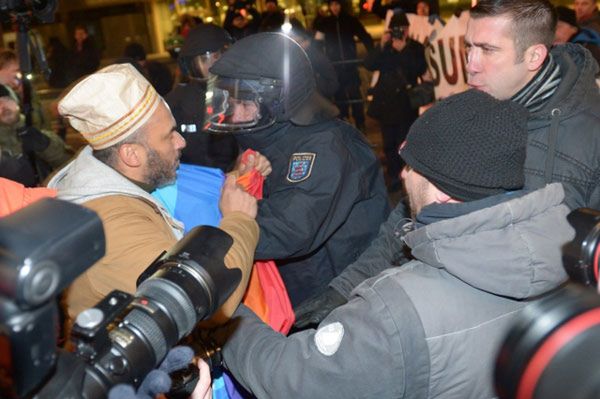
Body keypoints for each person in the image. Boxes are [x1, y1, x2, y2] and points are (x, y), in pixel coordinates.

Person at [212, 89, 574, 398]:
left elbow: (290, 379)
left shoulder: (395, 312)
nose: (401, 173)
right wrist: (341, 291)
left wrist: (227, 316)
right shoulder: (570, 252)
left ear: (443, 191)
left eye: (412, 166)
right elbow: (391, 240)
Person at [294, 0, 600, 329]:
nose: (471, 65)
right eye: (469, 47)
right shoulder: (477, 105)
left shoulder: (588, 131)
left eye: (487, 50)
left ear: (534, 56)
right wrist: (344, 289)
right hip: (461, 313)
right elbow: (411, 214)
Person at [46, 63, 261, 323]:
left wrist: (239, 175)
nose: (181, 141)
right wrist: (239, 219)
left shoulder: (116, 182)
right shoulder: (112, 228)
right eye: (168, 135)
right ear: (132, 155)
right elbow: (211, 304)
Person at [204, 32, 390, 306]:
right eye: (231, 104)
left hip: (340, 303)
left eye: (243, 103)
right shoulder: (271, 140)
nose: (234, 114)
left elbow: (288, 229)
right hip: (306, 296)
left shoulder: (325, 147)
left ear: (277, 101)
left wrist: (224, 223)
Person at [364, 11, 429, 192]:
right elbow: (369, 64)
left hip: (406, 104)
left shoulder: (415, 48)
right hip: (386, 104)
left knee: (405, 142)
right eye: (396, 29)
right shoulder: (385, 47)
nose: (400, 32)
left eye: (402, 28)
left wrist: (403, 52)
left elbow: (420, 69)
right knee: (389, 143)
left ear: (408, 29)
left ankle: (406, 176)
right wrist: (381, 45)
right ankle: (393, 176)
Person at [165, 24, 239, 172]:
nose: (213, 65)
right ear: (192, 64)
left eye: (219, 57)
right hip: (195, 183)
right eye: (205, 59)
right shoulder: (176, 103)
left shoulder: (243, 94)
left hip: (239, 176)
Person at [315, 0, 373, 131]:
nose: (335, 7)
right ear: (329, 6)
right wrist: (320, 60)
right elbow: (317, 43)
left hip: (350, 65)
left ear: (341, 6)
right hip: (334, 67)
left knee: (355, 94)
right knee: (339, 96)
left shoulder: (350, 20)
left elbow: (364, 36)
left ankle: (360, 122)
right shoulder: (325, 23)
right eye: (332, 5)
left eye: (337, 4)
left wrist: (372, 53)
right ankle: (343, 123)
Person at [554, 5, 600, 70]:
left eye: (559, 26)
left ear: (573, 29)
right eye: (551, 27)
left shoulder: (587, 49)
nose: (553, 31)